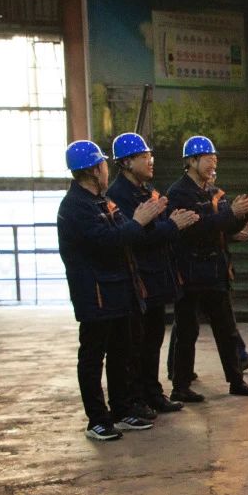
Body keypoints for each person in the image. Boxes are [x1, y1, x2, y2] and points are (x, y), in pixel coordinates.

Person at [57, 141, 172, 440]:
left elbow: (123, 232)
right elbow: (108, 240)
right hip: (94, 293)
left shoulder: (101, 201)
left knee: (121, 352)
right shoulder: (75, 207)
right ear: (95, 170)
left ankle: (121, 410)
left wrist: (143, 223)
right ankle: (97, 420)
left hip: (117, 291)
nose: (106, 169)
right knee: (93, 357)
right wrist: (139, 222)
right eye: (103, 165)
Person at [105, 132, 196, 416]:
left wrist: (170, 226)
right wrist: (172, 226)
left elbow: (154, 228)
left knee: (153, 337)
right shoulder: (118, 195)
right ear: (126, 162)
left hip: (155, 277)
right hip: (137, 279)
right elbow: (137, 237)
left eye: (150, 155)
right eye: (144, 157)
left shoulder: (147, 191)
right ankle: (135, 398)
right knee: (136, 343)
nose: (151, 161)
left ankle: (152, 393)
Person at [166, 135, 248, 401]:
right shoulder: (179, 193)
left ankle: (236, 381)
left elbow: (224, 224)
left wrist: (241, 214)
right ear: (191, 161)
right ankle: (180, 387)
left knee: (226, 330)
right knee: (187, 332)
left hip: (215, 271)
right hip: (189, 272)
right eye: (208, 158)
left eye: (215, 158)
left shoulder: (212, 191)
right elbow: (196, 228)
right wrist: (231, 214)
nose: (213, 163)